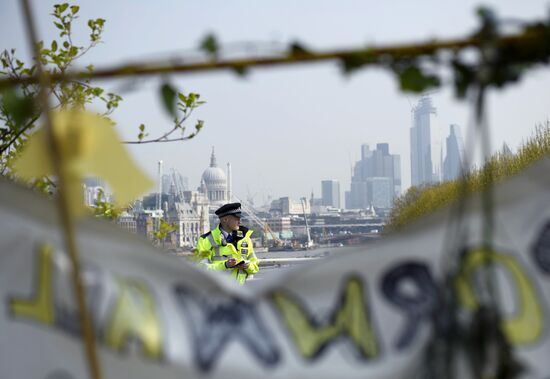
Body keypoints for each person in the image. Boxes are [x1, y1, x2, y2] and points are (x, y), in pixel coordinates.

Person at [194, 202, 259, 284]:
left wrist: (247, 266)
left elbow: (255, 266)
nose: (240, 222)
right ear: (225, 220)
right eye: (236, 219)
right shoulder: (206, 240)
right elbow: (201, 268)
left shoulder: (245, 239)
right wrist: (225, 265)